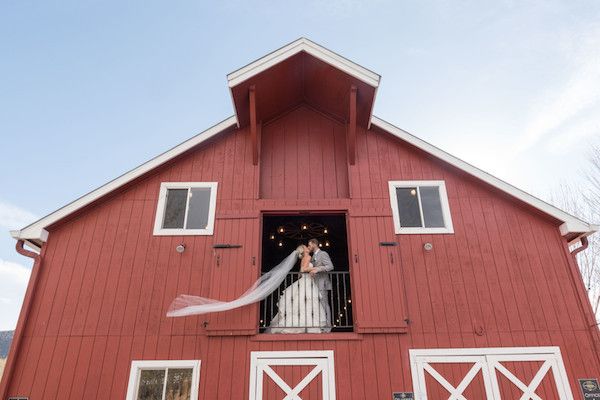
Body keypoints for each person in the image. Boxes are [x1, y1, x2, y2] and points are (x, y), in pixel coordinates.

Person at [266, 245, 329, 333]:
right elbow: (303, 270)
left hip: (305, 279)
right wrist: (315, 269)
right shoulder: (308, 257)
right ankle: (308, 326)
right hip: (306, 281)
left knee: (302, 303)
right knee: (307, 302)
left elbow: (300, 273)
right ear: (304, 250)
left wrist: (310, 272)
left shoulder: (303, 258)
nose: (307, 247)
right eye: (306, 247)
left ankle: (299, 325)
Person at [306, 238, 333, 332]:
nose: (309, 247)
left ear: (314, 244)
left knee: (325, 304)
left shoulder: (323, 254)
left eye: (310, 245)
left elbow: (330, 266)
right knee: (318, 305)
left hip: (323, 283)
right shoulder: (313, 256)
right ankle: (321, 325)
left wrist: (317, 269)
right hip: (315, 284)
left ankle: (328, 326)